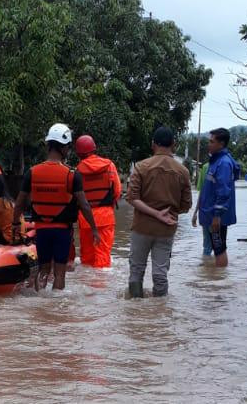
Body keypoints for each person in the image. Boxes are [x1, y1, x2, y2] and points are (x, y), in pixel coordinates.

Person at [12, 123, 100, 291]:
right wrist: (94, 229)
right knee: (59, 273)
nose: (69, 150)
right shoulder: (72, 174)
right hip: (62, 232)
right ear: (63, 147)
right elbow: (84, 205)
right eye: (68, 147)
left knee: (44, 270)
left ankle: (41, 303)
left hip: (42, 230)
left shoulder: (32, 172)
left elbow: (19, 202)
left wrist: (15, 224)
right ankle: (56, 310)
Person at [126, 126, 192, 298]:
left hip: (142, 227)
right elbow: (186, 205)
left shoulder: (141, 167)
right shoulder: (183, 171)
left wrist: (154, 213)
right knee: (160, 272)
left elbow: (132, 198)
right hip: (166, 228)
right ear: (174, 145)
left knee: (136, 271)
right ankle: (160, 312)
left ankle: (135, 311)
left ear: (153, 144)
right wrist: (166, 212)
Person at [74, 135, 122, 268]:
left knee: (87, 259)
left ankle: (87, 287)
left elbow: (75, 197)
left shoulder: (77, 170)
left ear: (78, 153)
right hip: (105, 217)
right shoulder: (109, 165)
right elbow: (117, 191)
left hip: (85, 219)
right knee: (103, 258)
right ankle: (101, 287)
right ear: (94, 148)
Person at [198, 127, 240, 267]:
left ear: (221, 144)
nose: (208, 144)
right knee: (218, 248)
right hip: (212, 215)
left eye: (211, 141)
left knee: (219, 248)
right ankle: (218, 282)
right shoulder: (216, 161)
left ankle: (219, 281)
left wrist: (217, 215)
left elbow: (223, 192)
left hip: (216, 217)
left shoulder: (223, 163)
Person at [191, 162, 212, 256]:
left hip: (206, 212)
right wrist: (195, 212)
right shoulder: (226, 163)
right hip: (212, 213)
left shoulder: (206, 167)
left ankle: (207, 268)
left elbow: (202, 193)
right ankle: (212, 269)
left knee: (207, 246)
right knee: (218, 246)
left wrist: (195, 212)